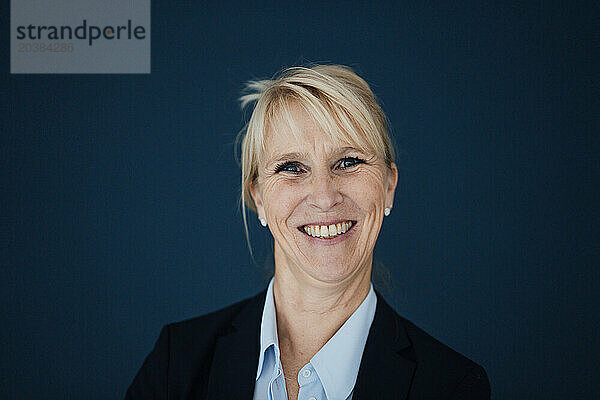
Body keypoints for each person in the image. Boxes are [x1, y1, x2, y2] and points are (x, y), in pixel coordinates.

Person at [124, 64, 490, 399]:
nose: (325, 196)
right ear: (259, 198)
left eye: (348, 162)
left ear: (389, 185)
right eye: (292, 167)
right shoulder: (177, 365)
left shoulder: (453, 387)